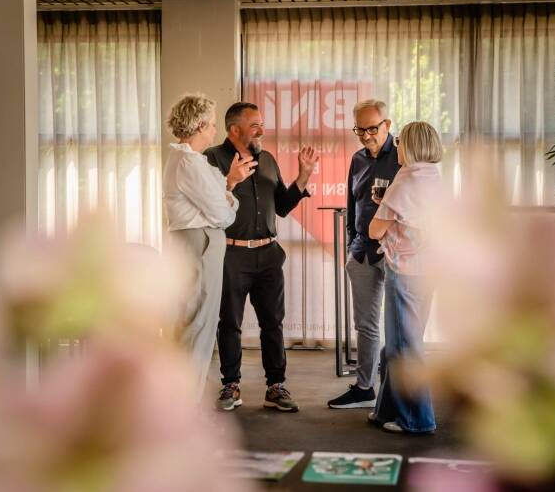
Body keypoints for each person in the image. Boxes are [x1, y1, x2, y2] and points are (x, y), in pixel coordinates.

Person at [204, 102, 319, 412]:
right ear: (234, 130)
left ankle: (275, 386)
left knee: (273, 323)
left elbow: (281, 206)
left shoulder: (267, 159)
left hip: (269, 255)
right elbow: (207, 204)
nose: (261, 130)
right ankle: (231, 385)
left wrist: (303, 176)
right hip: (231, 255)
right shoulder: (212, 159)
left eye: (261, 124)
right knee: (230, 323)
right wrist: (230, 180)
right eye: (254, 125)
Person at [163, 94, 256, 400]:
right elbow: (223, 215)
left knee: (194, 321)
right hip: (200, 243)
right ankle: (183, 404)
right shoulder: (189, 162)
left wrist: (228, 185)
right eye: (213, 124)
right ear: (201, 125)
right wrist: (229, 199)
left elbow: (218, 196)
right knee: (198, 323)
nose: (216, 130)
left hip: (196, 242)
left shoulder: (190, 160)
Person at [367, 121, 442, 434]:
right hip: (428, 271)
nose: (396, 146)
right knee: (399, 344)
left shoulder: (406, 179)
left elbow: (374, 230)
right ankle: (386, 410)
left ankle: (417, 420)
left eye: (399, 141)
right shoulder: (433, 176)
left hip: (405, 272)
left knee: (404, 349)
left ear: (410, 145)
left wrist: (383, 209)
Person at [327, 99, 400, 409]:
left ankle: (397, 392)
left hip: (395, 253)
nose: (366, 135)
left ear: (387, 125)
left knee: (398, 325)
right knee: (366, 325)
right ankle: (364, 388)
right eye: (360, 130)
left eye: (372, 128)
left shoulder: (403, 156)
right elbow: (352, 204)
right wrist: (351, 245)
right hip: (362, 253)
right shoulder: (357, 159)